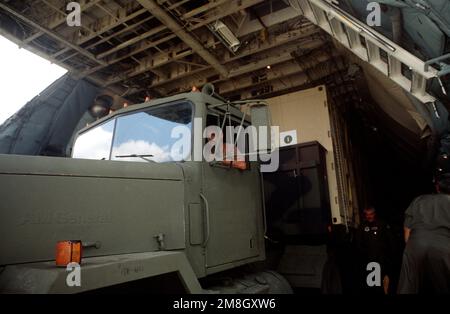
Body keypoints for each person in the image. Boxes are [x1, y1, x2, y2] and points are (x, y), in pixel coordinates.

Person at [397, 172, 450, 294]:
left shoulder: (419, 200)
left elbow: (407, 232)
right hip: (444, 247)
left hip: (416, 245)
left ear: (437, 187)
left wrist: (412, 248)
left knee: (408, 285)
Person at [355, 206, 393, 294]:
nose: (369, 216)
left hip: (382, 259)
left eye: (371, 214)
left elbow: (390, 241)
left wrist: (389, 256)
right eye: (367, 215)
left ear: (374, 214)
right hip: (370, 261)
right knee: (372, 284)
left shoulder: (382, 224)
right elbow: (358, 244)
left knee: (385, 278)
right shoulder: (362, 226)